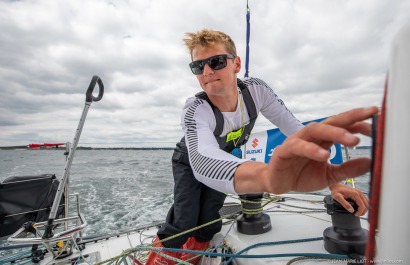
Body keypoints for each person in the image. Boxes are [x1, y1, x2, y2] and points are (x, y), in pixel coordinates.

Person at [146, 29, 375, 265]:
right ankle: (164, 255)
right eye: (198, 66)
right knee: (185, 218)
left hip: (225, 158)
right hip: (189, 160)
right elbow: (203, 160)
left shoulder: (257, 92)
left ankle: (194, 252)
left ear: (236, 64)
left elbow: (296, 130)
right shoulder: (195, 109)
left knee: (209, 220)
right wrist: (270, 176)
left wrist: (333, 180)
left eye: (215, 62)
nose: (207, 72)